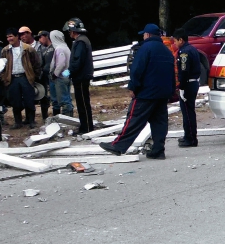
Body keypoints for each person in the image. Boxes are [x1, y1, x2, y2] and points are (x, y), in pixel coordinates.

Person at [100, 24, 174, 159]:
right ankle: (158, 150)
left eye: (144, 34)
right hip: (163, 93)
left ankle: (118, 146)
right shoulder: (166, 50)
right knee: (159, 122)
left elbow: (137, 69)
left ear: (148, 35)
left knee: (134, 119)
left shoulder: (145, 48)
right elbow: (172, 73)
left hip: (146, 92)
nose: (143, 37)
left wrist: (133, 86)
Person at [0, 28, 39, 127]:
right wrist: (4, 78)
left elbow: (36, 63)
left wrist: (33, 75)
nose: (9, 39)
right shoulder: (5, 50)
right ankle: (18, 122)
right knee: (15, 101)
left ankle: (31, 120)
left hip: (25, 77)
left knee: (29, 99)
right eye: (7, 37)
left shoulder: (28, 49)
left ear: (17, 37)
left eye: (11, 36)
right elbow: (2, 66)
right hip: (12, 78)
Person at [171, 30, 205, 147]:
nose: (174, 43)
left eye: (175, 41)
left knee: (187, 112)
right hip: (193, 82)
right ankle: (188, 135)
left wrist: (181, 86)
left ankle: (190, 138)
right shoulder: (192, 49)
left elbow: (184, 71)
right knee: (188, 111)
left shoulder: (184, 52)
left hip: (188, 84)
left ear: (181, 40)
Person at [67, 19, 94, 133]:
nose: (69, 33)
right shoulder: (82, 40)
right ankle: (85, 125)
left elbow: (77, 61)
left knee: (82, 103)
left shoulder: (80, 42)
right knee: (82, 102)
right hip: (82, 76)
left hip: (81, 77)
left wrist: (68, 72)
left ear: (74, 31)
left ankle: (87, 127)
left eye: (70, 31)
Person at [48, 29, 73, 117]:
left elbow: (61, 64)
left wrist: (55, 74)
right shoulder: (65, 47)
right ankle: (69, 117)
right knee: (67, 98)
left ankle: (68, 119)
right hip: (66, 75)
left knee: (64, 100)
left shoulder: (59, 48)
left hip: (61, 77)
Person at [35, 30, 53, 122]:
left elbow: (58, 63)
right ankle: (46, 116)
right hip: (46, 76)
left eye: (40, 37)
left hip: (53, 76)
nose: (39, 40)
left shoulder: (53, 48)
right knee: (46, 97)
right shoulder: (44, 48)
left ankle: (62, 118)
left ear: (46, 36)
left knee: (58, 99)